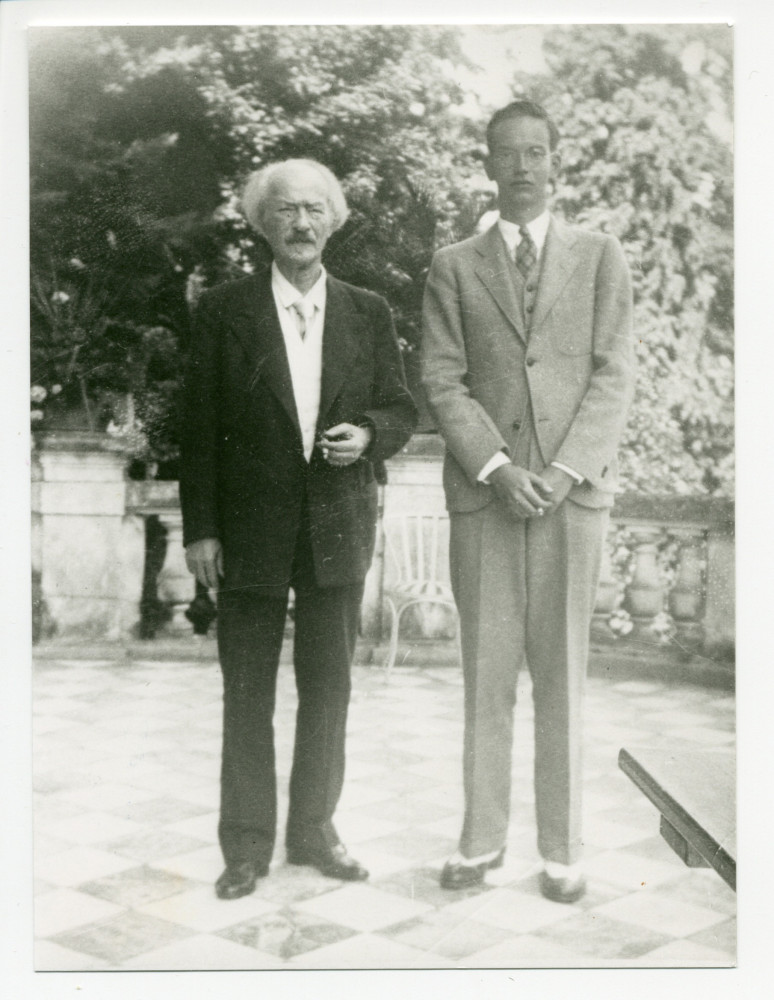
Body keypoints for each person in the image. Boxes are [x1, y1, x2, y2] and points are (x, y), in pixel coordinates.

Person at [179, 158, 417, 900]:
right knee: (245, 688)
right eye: (285, 210)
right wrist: (202, 530)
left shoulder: (368, 311)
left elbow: (404, 410)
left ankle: (314, 831)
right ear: (263, 223)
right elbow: (199, 428)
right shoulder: (223, 311)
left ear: (334, 221)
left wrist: (371, 434)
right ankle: (246, 845)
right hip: (247, 529)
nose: (302, 223)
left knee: (330, 687)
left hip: (337, 525)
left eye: (316, 210)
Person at [421, 100, 634, 902]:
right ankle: (479, 843)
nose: (522, 168)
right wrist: (498, 467)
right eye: (506, 154)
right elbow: (443, 379)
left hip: (571, 504)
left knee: (562, 679)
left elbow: (614, 375)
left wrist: (568, 469)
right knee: (486, 676)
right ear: (487, 164)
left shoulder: (599, 255)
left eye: (536, 153)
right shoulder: (454, 264)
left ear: (555, 162)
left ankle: (563, 851)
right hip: (488, 499)